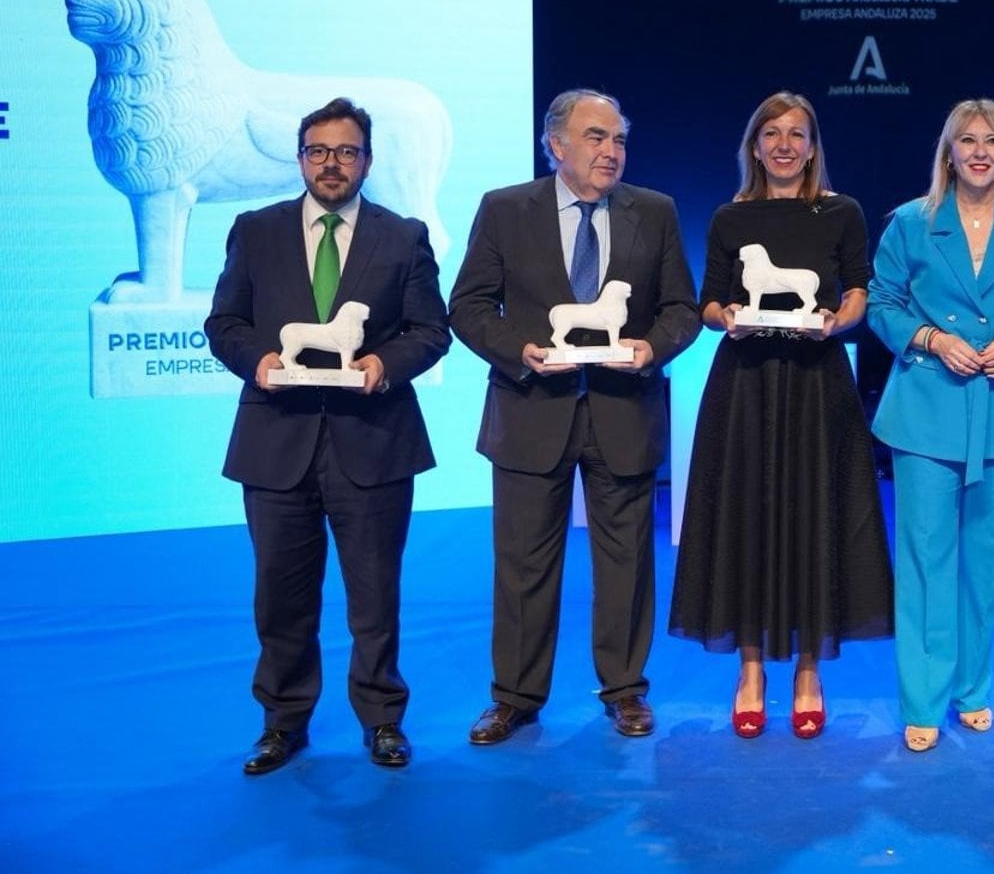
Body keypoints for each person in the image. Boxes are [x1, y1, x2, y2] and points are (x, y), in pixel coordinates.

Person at [207, 97, 451, 775]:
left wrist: (384, 363)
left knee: (375, 597)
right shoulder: (254, 230)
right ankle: (283, 722)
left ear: (367, 160)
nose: (332, 163)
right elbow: (224, 322)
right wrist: (258, 359)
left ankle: (382, 720)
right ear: (300, 158)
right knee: (280, 595)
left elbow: (431, 331)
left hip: (372, 442)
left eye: (346, 151)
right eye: (318, 150)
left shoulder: (403, 235)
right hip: (274, 441)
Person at [449, 89, 698, 745]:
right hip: (531, 409)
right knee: (524, 563)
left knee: (627, 562)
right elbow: (469, 305)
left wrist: (651, 347)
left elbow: (681, 307)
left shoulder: (656, 211)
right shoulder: (505, 210)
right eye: (595, 137)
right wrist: (519, 350)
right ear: (555, 144)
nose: (610, 151)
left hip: (623, 411)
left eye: (618, 139)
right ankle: (515, 697)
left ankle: (625, 689)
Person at [669, 91, 893, 740]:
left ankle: (806, 674)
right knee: (747, 515)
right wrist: (726, 318)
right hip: (745, 386)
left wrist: (842, 320)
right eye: (773, 132)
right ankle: (750, 673)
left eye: (798, 133)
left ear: (813, 145)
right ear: (755, 144)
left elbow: (858, 289)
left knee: (813, 515)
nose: (786, 144)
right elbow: (710, 299)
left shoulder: (840, 212)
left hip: (817, 383)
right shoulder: (729, 218)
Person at [868, 98, 994, 752]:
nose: (980, 151)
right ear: (948, 151)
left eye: (992, 141)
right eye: (967, 140)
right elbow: (882, 300)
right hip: (925, 409)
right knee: (925, 559)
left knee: (985, 560)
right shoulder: (910, 223)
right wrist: (926, 337)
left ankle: (971, 689)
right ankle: (922, 698)